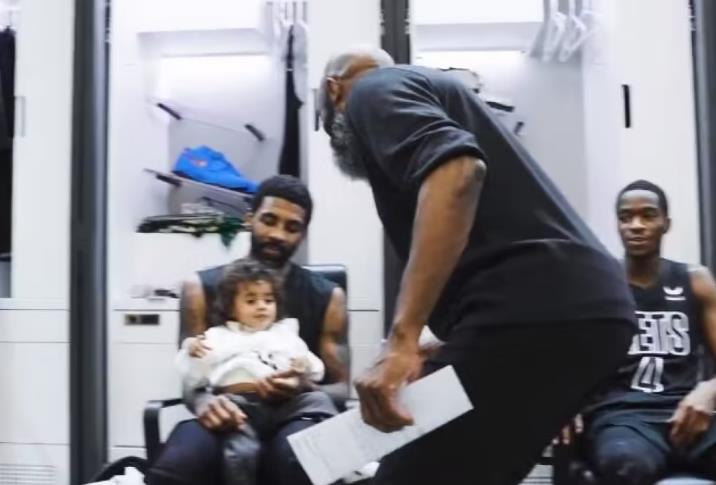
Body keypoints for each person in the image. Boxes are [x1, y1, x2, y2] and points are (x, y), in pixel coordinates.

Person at [318, 47, 636, 485]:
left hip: (534, 312)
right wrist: (443, 340)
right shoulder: (434, 95)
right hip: (590, 311)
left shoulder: (371, 90)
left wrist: (402, 340)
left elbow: (459, 171)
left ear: (333, 91)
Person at [146, 175, 349, 485]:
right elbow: (191, 378)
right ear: (250, 218)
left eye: (292, 227)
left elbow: (341, 389)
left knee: (298, 460)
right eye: (269, 220)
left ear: (303, 235)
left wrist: (303, 385)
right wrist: (203, 403)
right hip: (229, 411)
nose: (278, 234)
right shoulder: (199, 288)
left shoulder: (329, 297)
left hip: (295, 413)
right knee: (176, 467)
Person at [578, 180, 716, 484]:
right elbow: (570, 360)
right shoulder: (600, 283)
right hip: (624, 419)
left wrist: (709, 391)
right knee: (625, 465)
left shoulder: (695, 281)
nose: (636, 226)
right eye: (626, 218)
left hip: (688, 414)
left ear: (666, 224)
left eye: (648, 216)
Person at [175, 259, 337, 485]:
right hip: (238, 408)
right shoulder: (218, 336)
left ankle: (349, 457)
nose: (262, 306)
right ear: (231, 308)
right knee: (241, 452)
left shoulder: (285, 334)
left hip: (284, 404)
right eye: (251, 301)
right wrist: (192, 351)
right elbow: (194, 376)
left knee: (319, 399)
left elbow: (316, 369)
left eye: (268, 300)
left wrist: (303, 368)